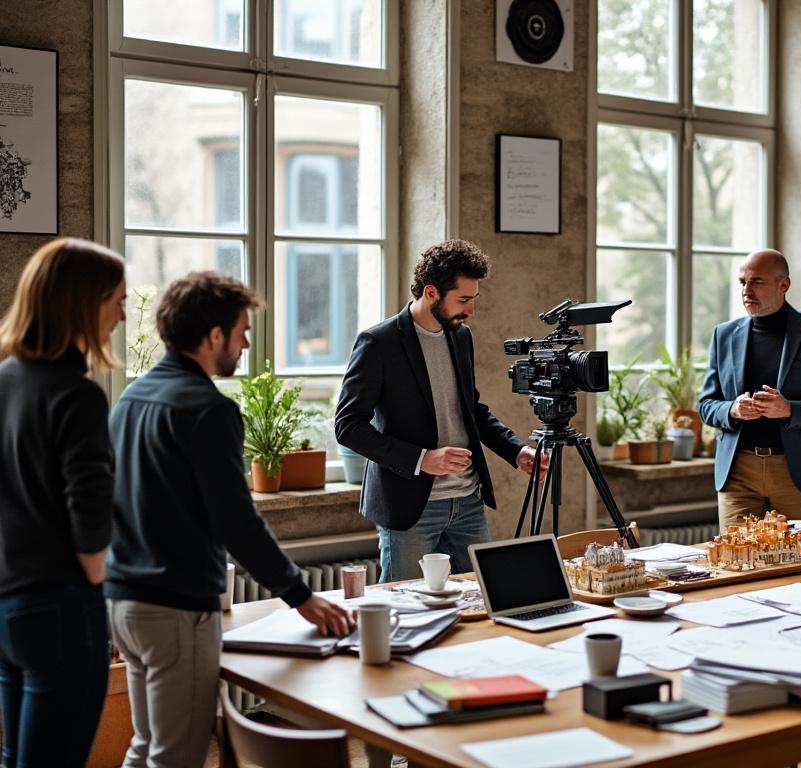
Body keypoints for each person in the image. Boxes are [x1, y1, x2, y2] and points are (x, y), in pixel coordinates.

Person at [106, 272, 351, 768]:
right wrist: (300, 596)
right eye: (241, 329)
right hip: (175, 609)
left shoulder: (129, 400)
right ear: (213, 335)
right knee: (178, 754)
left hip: (124, 603)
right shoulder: (207, 409)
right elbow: (235, 521)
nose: (246, 341)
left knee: (147, 745)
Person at [335, 239, 542, 581]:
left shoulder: (461, 336)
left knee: (481, 606)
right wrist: (422, 459)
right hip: (410, 509)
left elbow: (470, 409)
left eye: (474, 299)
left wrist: (515, 450)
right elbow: (348, 426)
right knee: (405, 610)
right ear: (431, 293)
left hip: (468, 504)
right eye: (463, 300)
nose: (471, 310)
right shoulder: (378, 343)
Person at [0, 238, 125, 767]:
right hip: (60, 607)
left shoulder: (5, 379)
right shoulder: (76, 394)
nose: (121, 315)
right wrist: (98, 582)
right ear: (82, 302)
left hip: (8, 604)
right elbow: (89, 511)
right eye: (116, 300)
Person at [699, 249, 801, 531]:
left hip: (795, 473)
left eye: (756, 281)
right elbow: (707, 404)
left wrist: (790, 410)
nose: (746, 290)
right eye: (742, 282)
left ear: (784, 285)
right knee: (736, 564)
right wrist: (731, 409)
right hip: (738, 471)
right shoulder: (723, 335)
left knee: (793, 566)